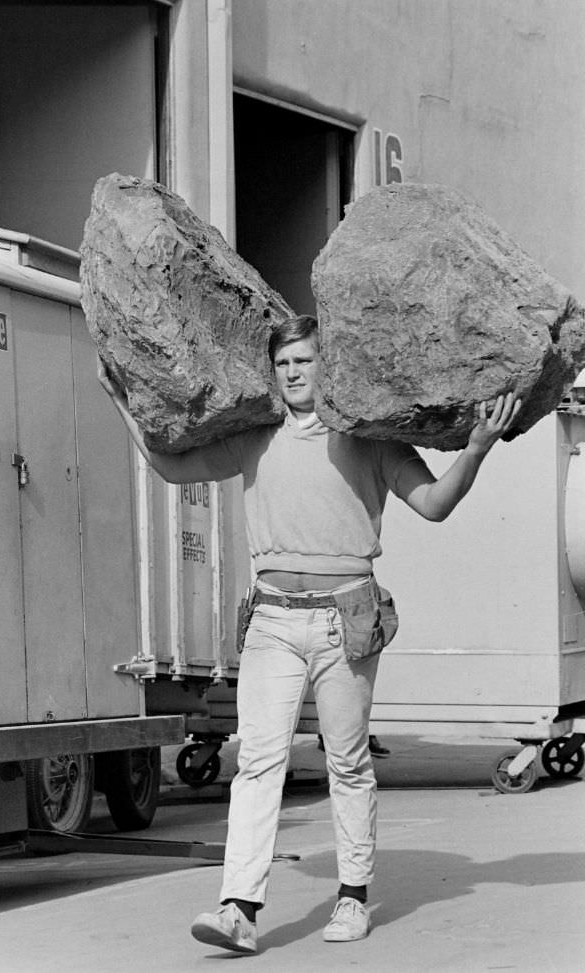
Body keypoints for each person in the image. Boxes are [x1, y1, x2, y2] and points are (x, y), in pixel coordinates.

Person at [98, 314, 520, 954]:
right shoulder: (256, 439)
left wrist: (479, 447)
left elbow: (434, 505)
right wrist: (123, 402)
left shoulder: (371, 440)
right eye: (284, 364)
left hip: (344, 617)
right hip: (269, 618)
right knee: (257, 764)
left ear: (331, 366)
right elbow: (170, 469)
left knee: (347, 764)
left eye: (306, 361)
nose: (294, 373)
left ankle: (353, 900)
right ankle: (238, 908)